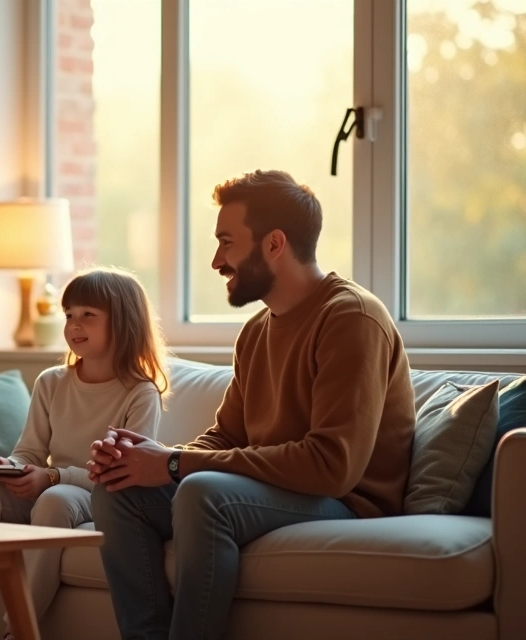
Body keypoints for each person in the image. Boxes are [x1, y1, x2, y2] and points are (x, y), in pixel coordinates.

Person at [88, 169, 417, 640]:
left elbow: (332, 466)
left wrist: (177, 465)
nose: (216, 260)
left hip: (344, 501)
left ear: (274, 244)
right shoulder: (257, 330)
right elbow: (228, 436)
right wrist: (147, 459)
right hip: (274, 491)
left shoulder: (352, 318)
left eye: (226, 242)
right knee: (117, 487)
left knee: (204, 495)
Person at [0, 266, 170, 639]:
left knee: (55, 501)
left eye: (88, 316)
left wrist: (55, 477)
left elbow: (121, 473)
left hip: (100, 494)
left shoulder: (140, 393)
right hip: (52, 483)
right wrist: (9, 467)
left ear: (123, 322)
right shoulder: (51, 382)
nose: (74, 325)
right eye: (70, 315)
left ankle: (18, 629)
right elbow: (30, 451)